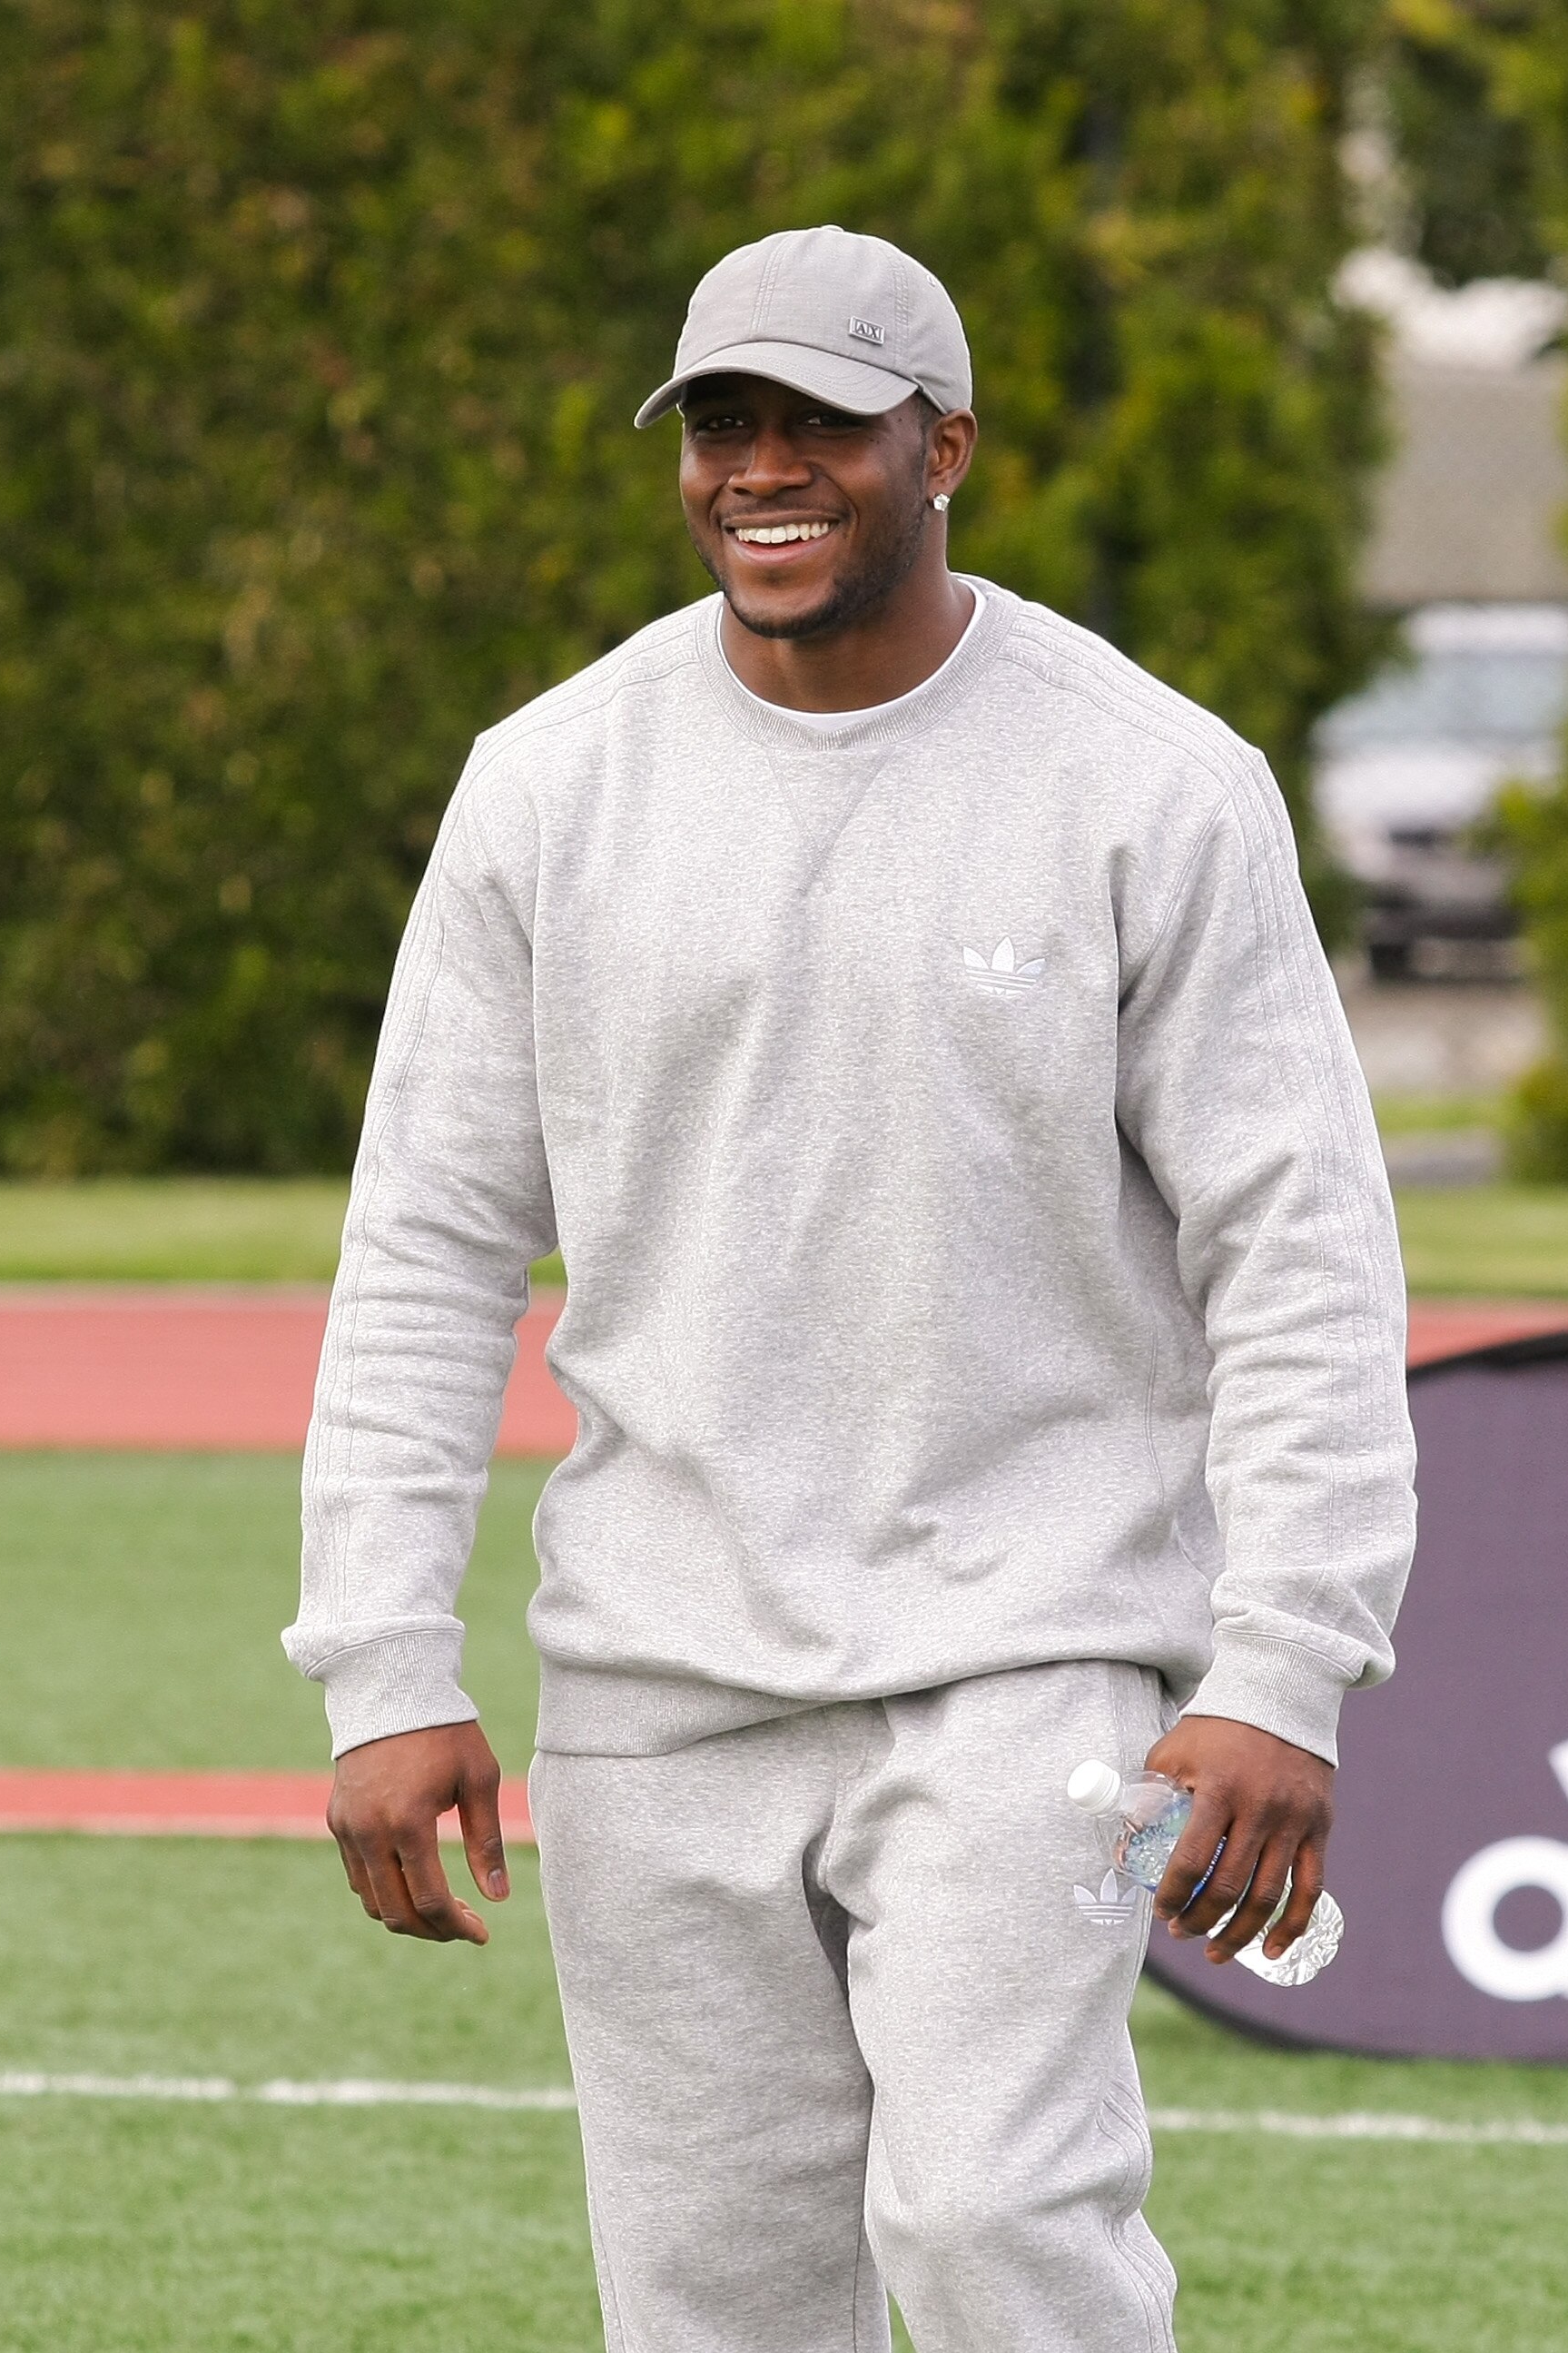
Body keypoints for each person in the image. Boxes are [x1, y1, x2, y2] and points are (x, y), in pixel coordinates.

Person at [284, 223, 1415, 2352]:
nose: (764, 469)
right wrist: (383, 1664)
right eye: (725, 424)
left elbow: (1304, 1256)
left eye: (826, 422)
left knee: (999, 2225)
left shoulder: (1155, 785)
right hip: (654, 1681)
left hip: (1033, 1654)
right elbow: (426, 1245)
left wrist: (1285, 1665)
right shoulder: (551, 783)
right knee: (712, 2303)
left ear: (947, 441)